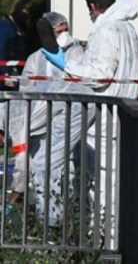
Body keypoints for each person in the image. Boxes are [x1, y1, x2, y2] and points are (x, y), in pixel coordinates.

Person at [40, 0, 138, 240]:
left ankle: (103, 241)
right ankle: (104, 238)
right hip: (122, 108)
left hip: (105, 112)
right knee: (111, 178)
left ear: (93, 6)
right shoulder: (128, 30)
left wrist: (67, 66)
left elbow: (99, 76)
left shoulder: (107, 30)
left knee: (102, 181)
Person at [4, 12, 85, 206]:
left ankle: (61, 214)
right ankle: (49, 215)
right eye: (59, 31)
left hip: (67, 116)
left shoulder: (75, 53)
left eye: (66, 30)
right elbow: (26, 90)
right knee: (42, 166)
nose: (64, 35)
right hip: (40, 120)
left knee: (66, 165)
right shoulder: (35, 59)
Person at [0, 1, 30, 85]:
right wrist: (5, 74)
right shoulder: (4, 26)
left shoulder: (19, 28)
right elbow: (0, 50)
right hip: (5, 76)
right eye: (24, 12)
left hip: (16, 74)